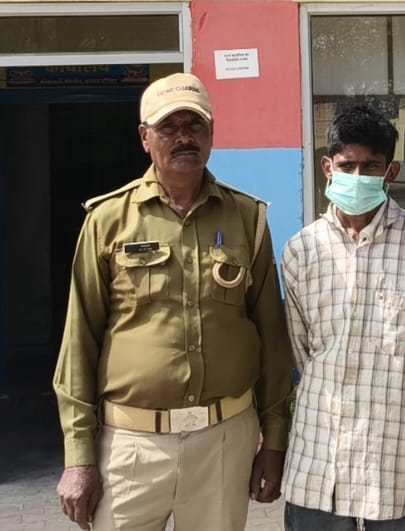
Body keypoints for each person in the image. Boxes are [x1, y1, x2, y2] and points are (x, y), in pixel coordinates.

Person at [53, 72, 294, 531]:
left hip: (224, 441)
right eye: (169, 127)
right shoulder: (108, 221)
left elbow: (272, 339)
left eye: (194, 124)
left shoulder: (248, 218)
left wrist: (275, 440)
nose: (184, 137)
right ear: (145, 138)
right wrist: (78, 456)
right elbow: (79, 341)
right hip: (132, 446)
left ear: (211, 133)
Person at [282, 105, 405, 530]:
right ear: (327, 168)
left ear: (391, 172)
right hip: (318, 467)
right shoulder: (301, 251)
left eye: (370, 167)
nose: (357, 177)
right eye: (347, 166)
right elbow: (303, 355)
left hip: (397, 469)